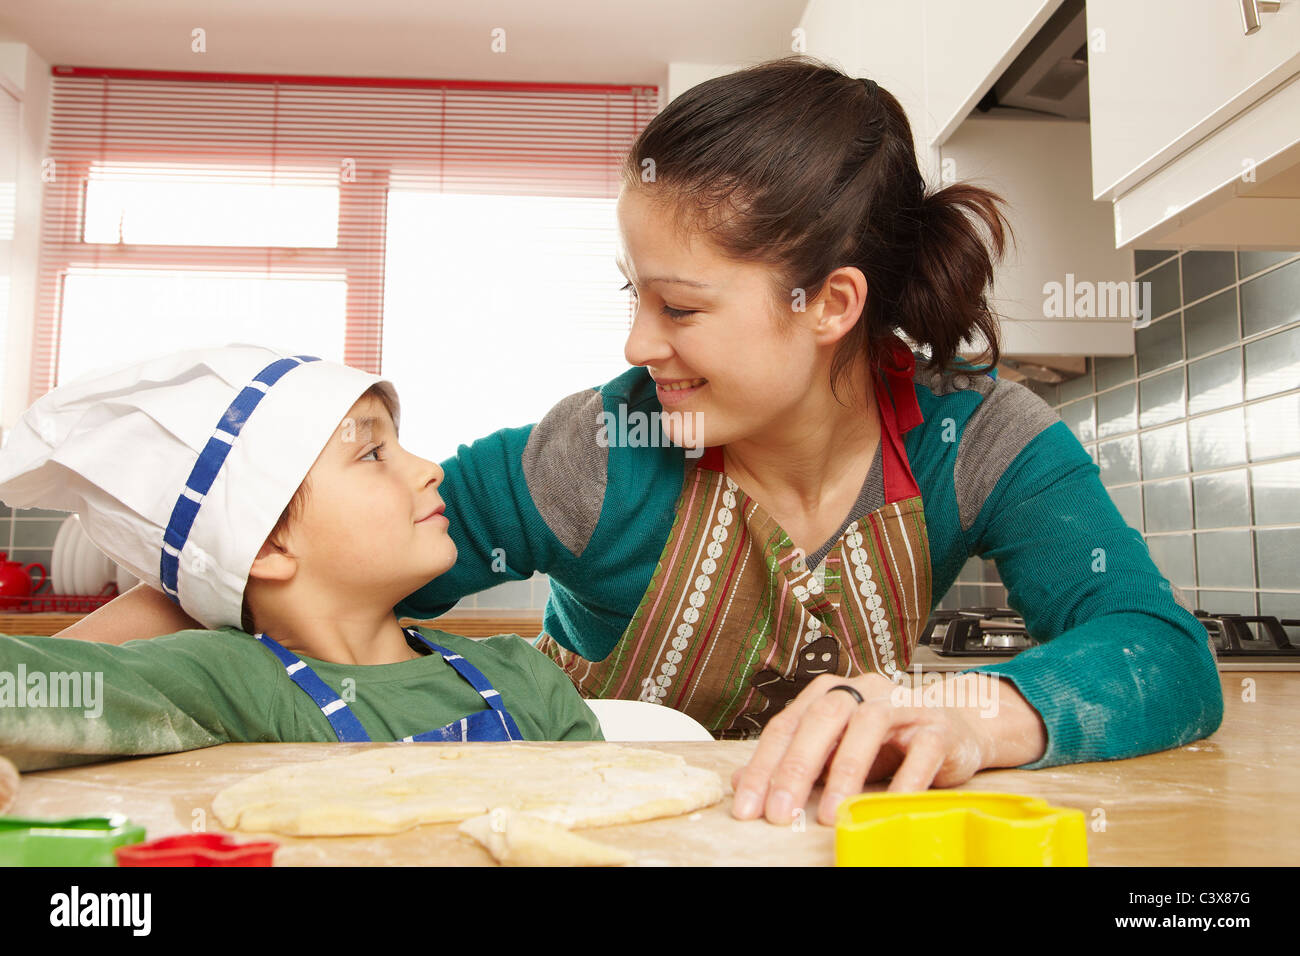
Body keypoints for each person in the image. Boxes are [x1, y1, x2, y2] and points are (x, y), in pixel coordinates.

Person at [66, 57, 1223, 826]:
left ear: (828, 304)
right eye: (634, 294)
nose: (636, 341)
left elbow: (1159, 651)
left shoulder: (983, 440)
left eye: (678, 307)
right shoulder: (602, 447)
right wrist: (58, 685)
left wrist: (979, 710)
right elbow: (282, 556)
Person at [0, 344, 602, 771]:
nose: (429, 469)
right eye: (372, 455)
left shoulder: (522, 676)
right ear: (266, 544)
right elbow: (28, 689)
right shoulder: (231, 680)